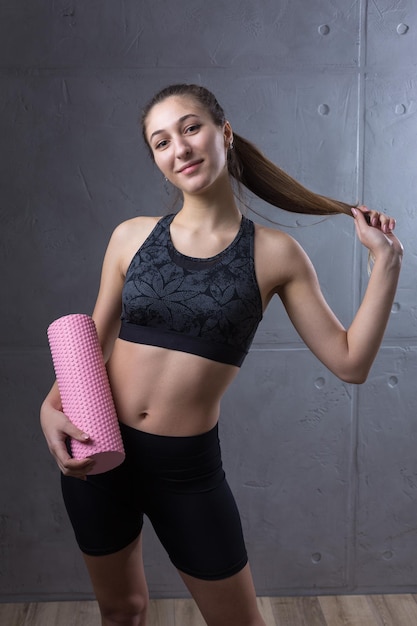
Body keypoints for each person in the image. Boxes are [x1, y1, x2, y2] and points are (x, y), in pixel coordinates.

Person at [40, 83, 403, 626]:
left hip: (184, 471)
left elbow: (350, 362)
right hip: (98, 447)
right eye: (161, 142)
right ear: (159, 162)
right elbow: (90, 342)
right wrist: (51, 408)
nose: (179, 148)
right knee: (122, 611)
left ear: (223, 133)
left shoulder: (275, 253)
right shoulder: (130, 237)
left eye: (190, 128)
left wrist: (388, 265)